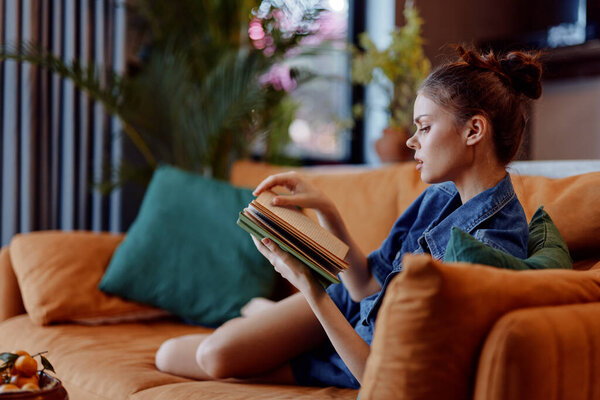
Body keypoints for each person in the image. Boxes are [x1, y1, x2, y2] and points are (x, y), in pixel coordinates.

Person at [154, 46, 543, 388]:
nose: (411, 140)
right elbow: (365, 286)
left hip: (354, 351)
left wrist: (308, 285)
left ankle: (265, 315)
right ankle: (266, 316)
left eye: (424, 127)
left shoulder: (489, 250)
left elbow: (383, 377)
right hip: (350, 308)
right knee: (184, 353)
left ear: (474, 130)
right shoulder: (440, 198)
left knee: (195, 356)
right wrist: (327, 209)